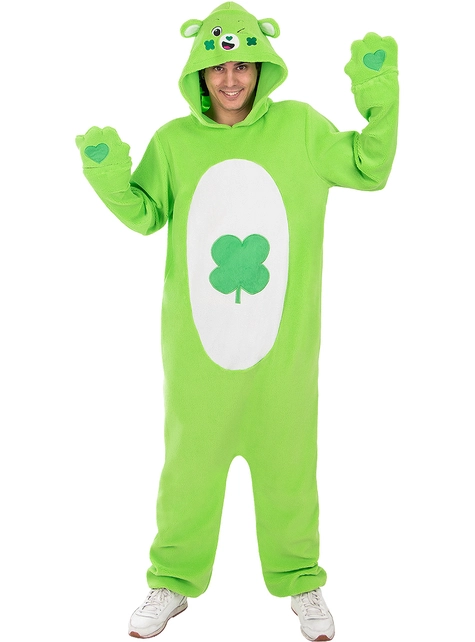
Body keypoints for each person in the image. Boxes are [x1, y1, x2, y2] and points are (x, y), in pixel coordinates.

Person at [75, 3, 399, 640]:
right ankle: (172, 580)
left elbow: (369, 167)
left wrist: (379, 98)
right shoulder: (175, 142)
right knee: (188, 467)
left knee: (290, 465)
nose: (231, 79)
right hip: (198, 350)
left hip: (284, 349)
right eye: (218, 66)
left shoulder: (300, 128)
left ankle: (302, 581)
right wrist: (108, 175)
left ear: (262, 68)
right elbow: (145, 215)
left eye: (244, 65)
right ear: (199, 70)